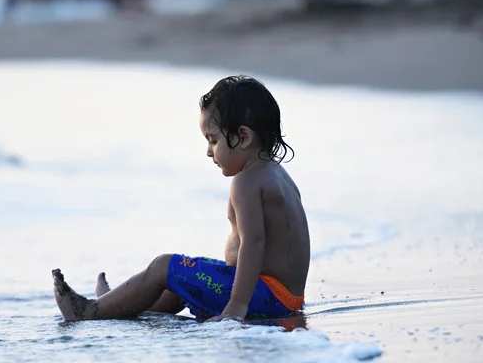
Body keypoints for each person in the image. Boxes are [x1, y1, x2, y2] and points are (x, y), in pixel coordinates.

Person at [52, 75, 311, 322]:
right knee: (180, 282)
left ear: (243, 137)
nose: (209, 152)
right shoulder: (277, 174)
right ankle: (117, 304)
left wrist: (237, 306)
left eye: (213, 140)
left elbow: (253, 244)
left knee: (166, 266)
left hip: (263, 298)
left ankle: (89, 311)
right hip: (285, 299)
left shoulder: (246, 182)